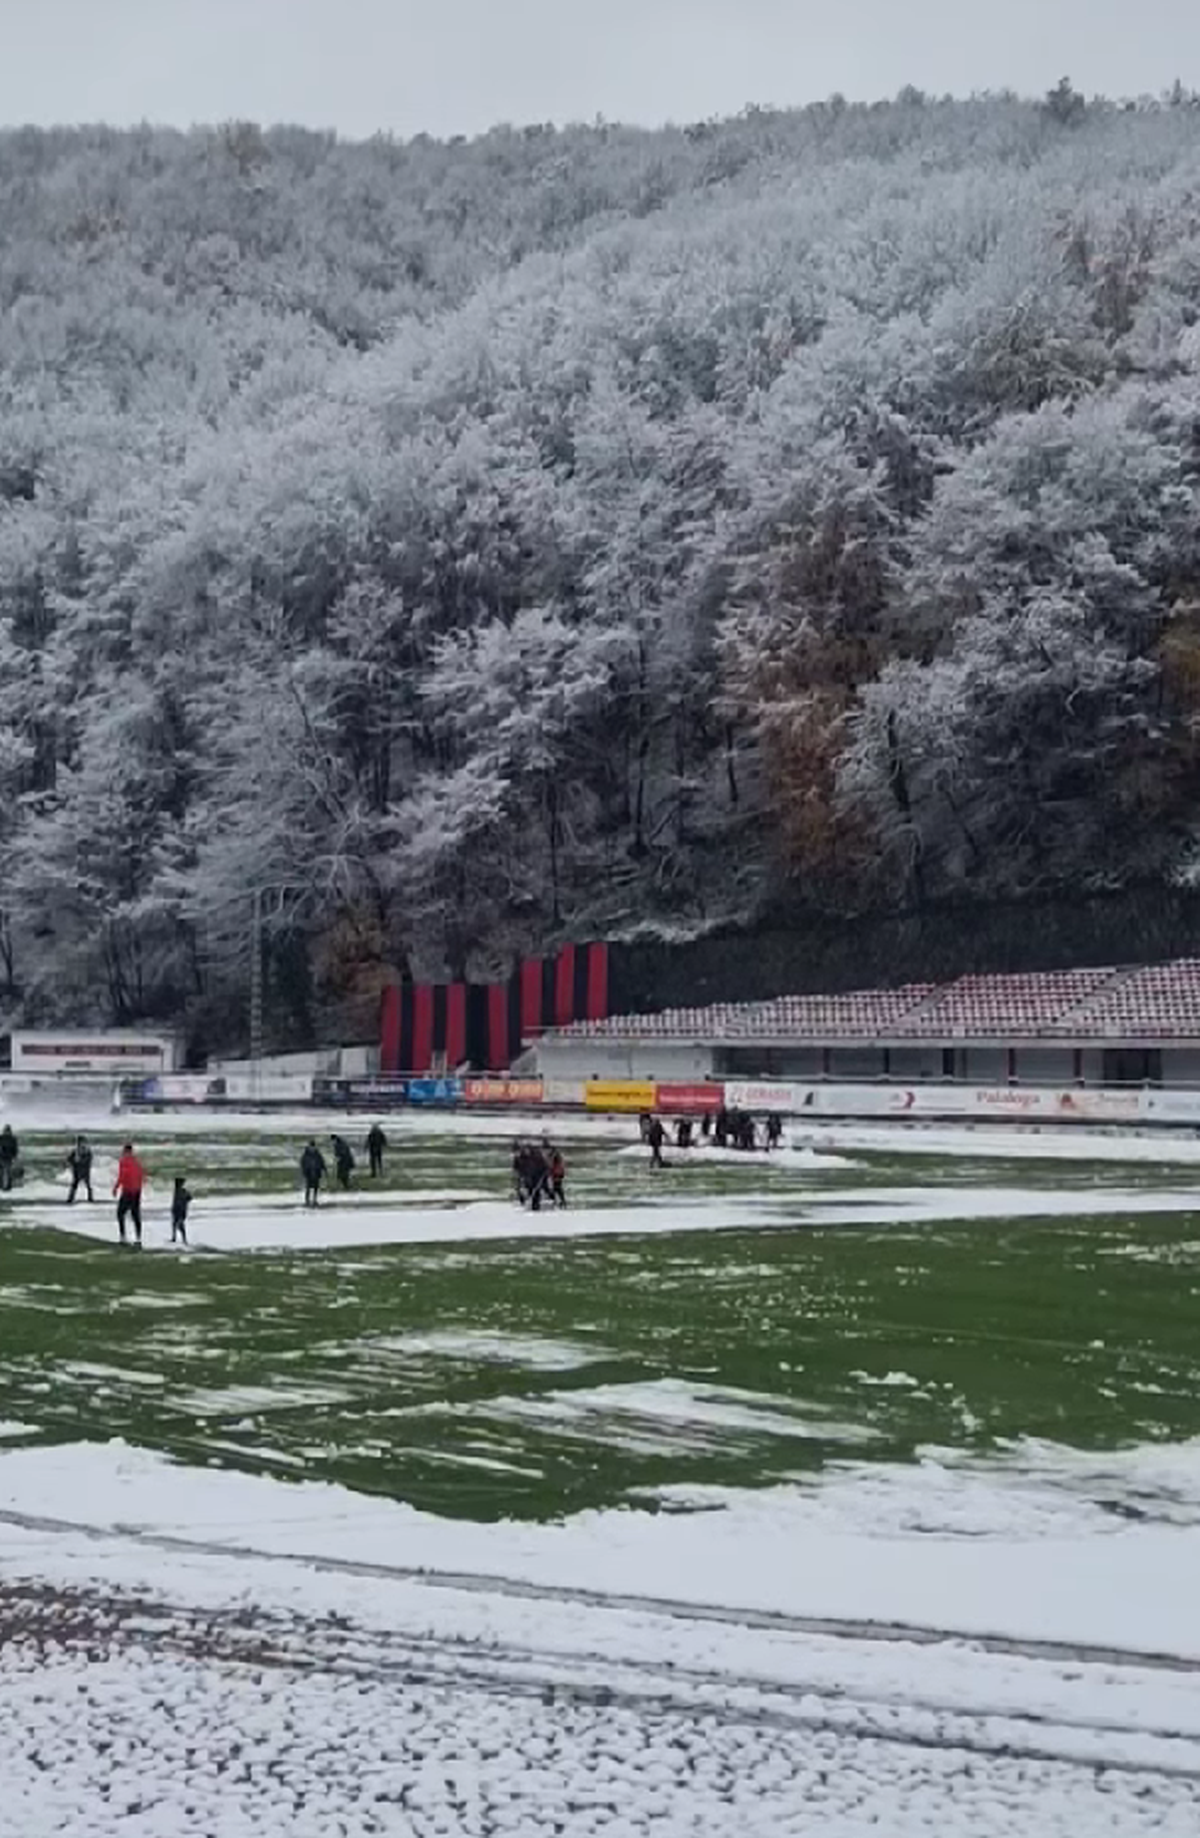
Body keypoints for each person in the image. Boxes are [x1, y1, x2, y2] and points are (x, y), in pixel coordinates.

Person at [112, 1142, 145, 1247]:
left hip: (128, 1191)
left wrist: (116, 1188)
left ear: (125, 1151)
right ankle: (138, 1239)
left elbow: (122, 1176)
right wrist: (139, 1189)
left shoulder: (124, 1162)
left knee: (120, 1213)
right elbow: (141, 1176)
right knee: (136, 1215)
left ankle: (123, 1237)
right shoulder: (136, 1162)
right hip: (137, 1191)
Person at [66, 1136, 94, 1204]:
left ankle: (90, 1198)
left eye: (82, 1142)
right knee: (74, 1185)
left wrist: (80, 1161)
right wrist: (73, 1162)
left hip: (85, 1171)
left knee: (88, 1185)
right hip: (77, 1171)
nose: (81, 1144)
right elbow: (69, 1159)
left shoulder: (87, 1151)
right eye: (79, 1142)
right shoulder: (75, 1151)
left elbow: (89, 1160)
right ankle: (70, 1198)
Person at [300, 1139, 326, 1207]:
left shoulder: (317, 1154)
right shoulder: (306, 1154)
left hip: (316, 1173)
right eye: (311, 1147)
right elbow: (303, 1163)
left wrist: (324, 1169)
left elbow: (321, 1162)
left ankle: (315, 1200)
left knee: (316, 1188)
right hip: (309, 1173)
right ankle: (307, 1200)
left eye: (313, 1147)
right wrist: (304, 1171)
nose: (312, 1148)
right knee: (308, 1187)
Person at [170, 1176, 192, 1247]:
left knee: (180, 1225)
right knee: (175, 1224)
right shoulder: (177, 1191)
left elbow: (189, 1198)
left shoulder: (182, 1191)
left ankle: (183, 1239)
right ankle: (175, 1238)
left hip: (181, 1210)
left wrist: (184, 1202)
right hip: (177, 1210)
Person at [0, 1123, 18, 1193]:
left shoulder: (12, 1139)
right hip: (3, 1157)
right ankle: (4, 1185)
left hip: (8, 1157)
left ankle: (6, 1186)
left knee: (6, 1171)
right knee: (4, 1171)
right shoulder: (1, 1138)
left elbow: (15, 1149)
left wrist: (14, 1156)